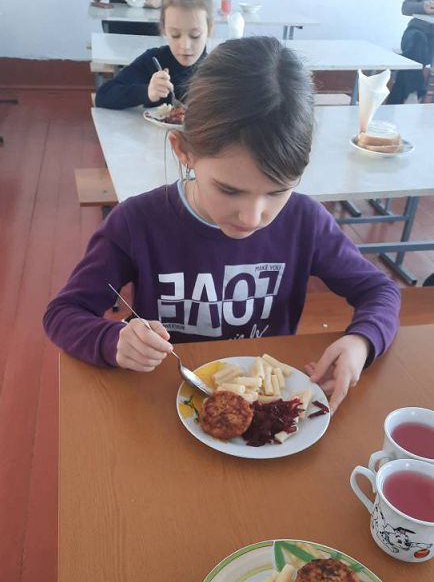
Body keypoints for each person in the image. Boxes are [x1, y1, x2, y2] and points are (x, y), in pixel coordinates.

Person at [44, 37, 401, 414]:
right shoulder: (138, 223)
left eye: (277, 191)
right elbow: (63, 314)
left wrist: (361, 341)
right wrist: (113, 340)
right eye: (229, 190)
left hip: (264, 408)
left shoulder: (305, 222)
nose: (252, 217)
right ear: (184, 151)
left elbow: (380, 290)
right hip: (163, 401)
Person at [95, 0, 212, 110]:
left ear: (209, 29)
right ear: (164, 28)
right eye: (175, 35)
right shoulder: (154, 61)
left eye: (195, 35)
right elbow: (103, 96)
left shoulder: (216, 69)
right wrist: (147, 92)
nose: (185, 46)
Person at [388, 0, 434, 103]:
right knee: (417, 42)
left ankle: (403, 98)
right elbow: (406, 7)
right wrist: (422, 6)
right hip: (417, 30)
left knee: (415, 54)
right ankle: (413, 95)